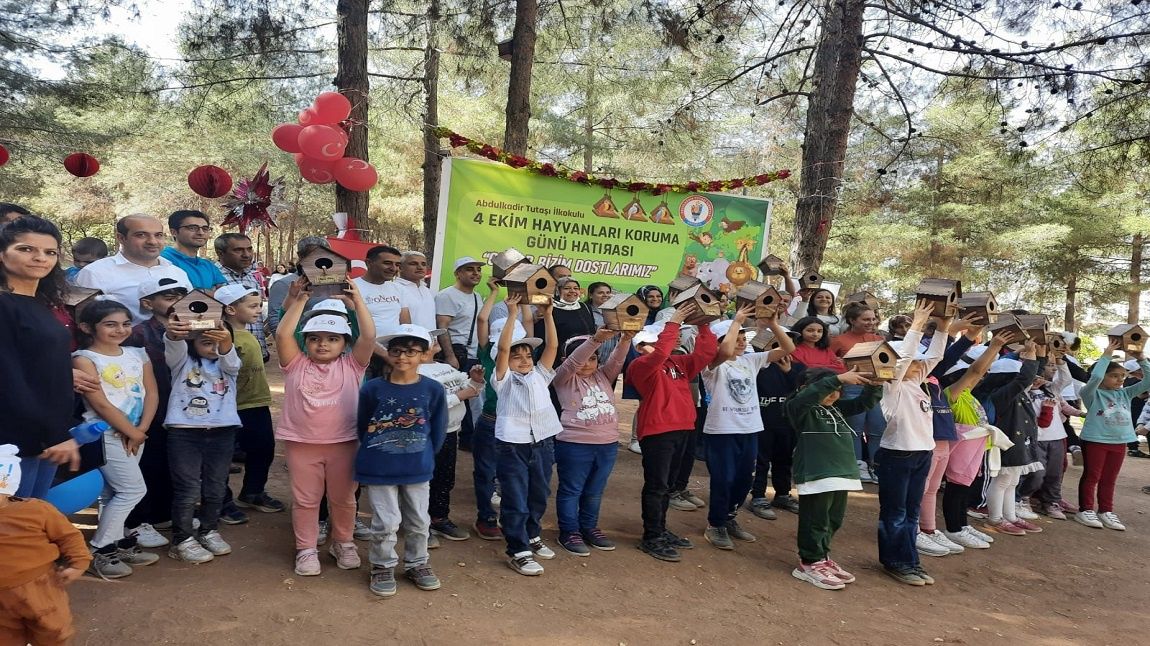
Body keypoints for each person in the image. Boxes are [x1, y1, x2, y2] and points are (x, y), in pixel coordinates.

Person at [275, 277, 375, 576]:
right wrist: (301, 299)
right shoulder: (295, 364)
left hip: (344, 443)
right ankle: (306, 549)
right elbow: (282, 335)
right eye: (315, 338)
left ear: (345, 343)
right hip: (302, 444)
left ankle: (343, 542)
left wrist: (358, 302)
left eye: (332, 338)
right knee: (306, 500)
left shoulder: (352, 365)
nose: (323, 343)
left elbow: (368, 337)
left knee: (344, 499)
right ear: (305, 342)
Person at [357, 325, 449, 596]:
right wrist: (377, 452)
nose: (403, 357)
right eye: (396, 351)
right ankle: (382, 565)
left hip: (418, 468)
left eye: (411, 352)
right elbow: (362, 425)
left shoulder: (433, 389)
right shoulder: (372, 389)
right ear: (388, 353)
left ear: (424, 355)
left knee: (419, 520)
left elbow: (439, 428)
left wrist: (425, 458)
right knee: (385, 522)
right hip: (378, 467)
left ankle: (417, 563)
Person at [73, 299, 160, 578]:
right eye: (110, 324)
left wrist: (141, 430)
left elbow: (152, 393)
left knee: (112, 493)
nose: (120, 330)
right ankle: (99, 550)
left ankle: (117, 543)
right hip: (105, 434)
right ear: (88, 327)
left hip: (136, 434)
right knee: (132, 490)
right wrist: (132, 432)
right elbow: (100, 404)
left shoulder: (138, 354)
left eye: (124, 323)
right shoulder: (85, 359)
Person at [628, 303, 718, 562]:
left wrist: (703, 325)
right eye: (670, 335)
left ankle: (660, 529)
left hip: (683, 429)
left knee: (667, 486)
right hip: (658, 431)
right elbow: (659, 355)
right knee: (657, 485)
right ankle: (651, 536)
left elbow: (706, 353)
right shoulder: (641, 365)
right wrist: (673, 322)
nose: (676, 337)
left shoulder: (678, 363)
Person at [700, 306, 795, 550]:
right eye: (737, 338)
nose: (741, 342)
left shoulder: (750, 361)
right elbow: (724, 351)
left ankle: (729, 518)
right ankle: (716, 524)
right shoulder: (713, 365)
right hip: (722, 431)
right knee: (724, 479)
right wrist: (736, 321)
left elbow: (788, 349)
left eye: (744, 338)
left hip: (750, 429)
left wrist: (774, 324)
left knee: (744, 480)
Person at [0, 216, 81, 497]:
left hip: (45, 437)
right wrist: (52, 435)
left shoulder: (39, 304)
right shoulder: (3, 305)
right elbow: (8, 378)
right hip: (13, 441)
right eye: (26, 249)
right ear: (2, 253)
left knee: (28, 524)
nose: (40, 258)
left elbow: (37, 364)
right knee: (13, 529)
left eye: (50, 252)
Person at [784, 368, 882, 590]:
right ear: (804, 389)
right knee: (815, 519)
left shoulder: (836, 409)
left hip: (842, 473)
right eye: (829, 389)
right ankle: (808, 564)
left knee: (833, 519)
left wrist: (874, 385)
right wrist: (836, 379)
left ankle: (822, 557)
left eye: (838, 390)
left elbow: (863, 404)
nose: (833, 394)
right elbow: (806, 398)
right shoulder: (800, 409)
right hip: (816, 473)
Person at [874, 301, 946, 586]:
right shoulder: (893, 387)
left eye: (920, 362)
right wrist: (916, 325)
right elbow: (902, 362)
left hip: (921, 455)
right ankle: (894, 561)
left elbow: (936, 355)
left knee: (912, 511)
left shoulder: (919, 385)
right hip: (897, 456)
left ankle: (909, 560)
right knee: (896, 511)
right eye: (914, 362)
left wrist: (943, 325)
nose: (919, 365)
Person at [491, 293, 562, 576]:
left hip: (542, 441)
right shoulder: (503, 381)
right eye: (516, 356)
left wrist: (549, 314)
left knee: (539, 493)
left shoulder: (540, 375)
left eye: (527, 355)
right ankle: (518, 549)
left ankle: (532, 535)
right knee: (515, 497)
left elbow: (553, 345)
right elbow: (504, 350)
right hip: (513, 445)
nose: (523, 360)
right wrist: (511, 315)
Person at [122, 271, 193, 549]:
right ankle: (137, 523)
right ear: (148, 303)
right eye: (168, 296)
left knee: (171, 462)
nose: (176, 301)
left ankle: (163, 514)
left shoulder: (199, 326)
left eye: (181, 295)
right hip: (151, 408)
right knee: (148, 463)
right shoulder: (137, 334)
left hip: (187, 408)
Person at [163, 318, 242, 564]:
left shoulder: (230, 364)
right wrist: (174, 335)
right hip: (184, 432)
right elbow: (173, 347)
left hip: (222, 431)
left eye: (219, 343)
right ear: (192, 343)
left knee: (216, 486)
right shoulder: (181, 363)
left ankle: (208, 530)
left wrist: (224, 342)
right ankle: (182, 539)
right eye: (206, 342)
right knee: (187, 489)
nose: (213, 348)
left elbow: (229, 357)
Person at [552, 328, 632, 556]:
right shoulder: (564, 378)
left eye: (593, 359)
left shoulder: (604, 375)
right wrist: (595, 340)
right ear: (566, 360)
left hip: (607, 444)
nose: (587, 363)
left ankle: (589, 527)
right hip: (574, 444)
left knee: (595, 490)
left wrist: (625, 339)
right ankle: (569, 531)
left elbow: (617, 359)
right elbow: (574, 362)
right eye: (583, 358)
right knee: (572, 489)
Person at [0, 446, 92, 645]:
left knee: (53, 630)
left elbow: (68, 536)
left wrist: (78, 563)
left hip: (40, 586)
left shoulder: (37, 510)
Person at [216, 284, 284, 515]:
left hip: (257, 403)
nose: (258, 310)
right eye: (253, 306)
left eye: (259, 305)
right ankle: (221, 502)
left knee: (263, 449)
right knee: (223, 456)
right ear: (231, 309)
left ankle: (253, 492)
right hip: (231, 407)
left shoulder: (250, 333)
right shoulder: (224, 336)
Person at [416, 328, 485, 544]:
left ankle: (439, 517)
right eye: (430, 338)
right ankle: (420, 524)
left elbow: (470, 388)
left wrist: (476, 381)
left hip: (450, 432)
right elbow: (425, 405)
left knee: (445, 478)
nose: (436, 339)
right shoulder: (415, 373)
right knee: (423, 480)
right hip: (426, 435)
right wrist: (459, 396)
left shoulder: (445, 367)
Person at [1073, 341, 1150, 531]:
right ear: (1102, 378)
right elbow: (1096, 376)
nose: (1120, 380)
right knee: (1092, 476)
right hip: (1095, 441)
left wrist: (1141, 358)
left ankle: (1106, 510)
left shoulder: (1125, 394)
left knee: (1110, 478)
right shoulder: (1090, 393)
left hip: (1120, 442)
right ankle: (1085, 510)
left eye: (1122, 376)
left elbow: (1148, 381)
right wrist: (1107, 354)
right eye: (1114, 376)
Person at [973, 341, 1045, 537]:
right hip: (1007, 444)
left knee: (1012, 481)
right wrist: (1031, 353)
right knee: (1002, 481)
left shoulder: (1016, 391)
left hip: (1019, 443)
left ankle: (1010, 516)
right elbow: (1024, 379)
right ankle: (995, 518)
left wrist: (1031, 350)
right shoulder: (1000, 394)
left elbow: (1025, 378)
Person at [76, 214, 190, 323]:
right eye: (141, 235)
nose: (152, 241)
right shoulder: (94, 273)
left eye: (158, 235)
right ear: (121, 238)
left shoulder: (177, 272)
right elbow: (83, 320)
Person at [830, 302, 887, 483]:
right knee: (855, 428)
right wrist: (839, 364)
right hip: (852, 387)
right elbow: (828, 363)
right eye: (866, 319)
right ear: (852, 320)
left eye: (873, 319)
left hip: (875, 386)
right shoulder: (839, 340)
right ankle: (856, 464)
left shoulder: (878, 339)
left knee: (878, 427)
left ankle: (876, 465)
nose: (871, 322)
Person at [355, 245, 410, 377]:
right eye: (387, 263)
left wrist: (400, 354)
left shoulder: (398, 289)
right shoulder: (352, 287)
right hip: (364, 357)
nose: (393, 269)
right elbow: (354, 329)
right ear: (368, 263)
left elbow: (405, 324)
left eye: (397, 265)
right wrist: (386, 356)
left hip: (395, 355)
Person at [214, 233, 269, 360]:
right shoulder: (212, 277)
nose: (247, 254)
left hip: (255, 351)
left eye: (249, 249)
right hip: (227, 355)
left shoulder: (251, 277)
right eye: (238, 250)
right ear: (220, 253)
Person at [395, 250, 452, 362]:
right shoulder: (394, 289)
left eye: (423, 264)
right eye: (413, 264)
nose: (420, 267)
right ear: (400, 267)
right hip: (408, 351)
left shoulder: (429, 291)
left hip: (431, 350)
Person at [268, 236, 332, 333]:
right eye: (314, 254)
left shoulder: (334, 282)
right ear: (300, 256)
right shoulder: (283, 284)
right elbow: (275, 322)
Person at [436, 256, 485, 370]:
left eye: (478, 269)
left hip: (473, 356)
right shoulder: (447, 295)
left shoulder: (476, 296)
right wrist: (450, 356)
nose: (476, 273)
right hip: (456, 355)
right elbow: (442, 327)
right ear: (458, 274)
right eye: (469, 269)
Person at [160, 210, 226, 291]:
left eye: (205, 228)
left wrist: (197, 292)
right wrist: (212, 292)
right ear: (173, 232)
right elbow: (176, 297)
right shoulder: (163, 260)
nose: (201, 233)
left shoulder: (208, 265)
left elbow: (227, 294)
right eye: (193, 228)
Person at [545, 277, 597, 356]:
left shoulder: (584, 306)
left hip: (587, 353)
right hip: (561, 355)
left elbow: (592, 330)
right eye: (567, 288)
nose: (572, 291)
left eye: (576, 288)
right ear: (558, 291)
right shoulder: (550, 308)